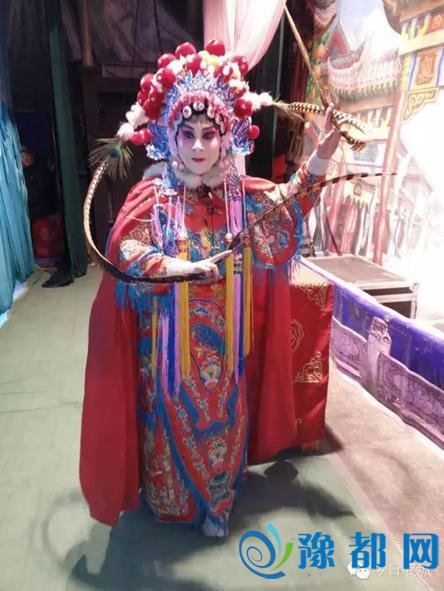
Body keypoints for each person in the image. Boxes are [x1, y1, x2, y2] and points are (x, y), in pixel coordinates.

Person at [80, 40, 342, 537]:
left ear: (227, 138)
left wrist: (322, 156)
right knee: (167, 412)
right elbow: (125, 251)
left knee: (224, 416)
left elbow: (288, 207)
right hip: (166, 347)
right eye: (188, 134)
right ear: (169, 136)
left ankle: (218, 503)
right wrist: (177, 267)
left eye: (209, 134)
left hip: (226, 345)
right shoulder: (154, 196)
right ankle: (172, 499)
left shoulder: (241, 198)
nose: (198, 146)